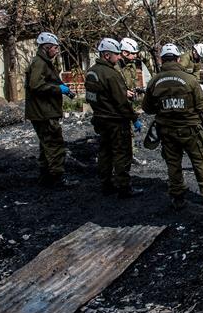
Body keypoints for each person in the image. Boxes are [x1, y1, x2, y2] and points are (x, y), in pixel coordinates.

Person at [142, 43, 203, 210]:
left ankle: (177, 198)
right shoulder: (189, 80)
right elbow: (202, 106)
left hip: (167, 131)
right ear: (178, 59)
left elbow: (147, 108)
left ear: (161, 60)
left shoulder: (154, 81)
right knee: (200, 161)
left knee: (173, 164)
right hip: (191, 130)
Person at [85, 38, 142, 197]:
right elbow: (121, 102)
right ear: (106, 55)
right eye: (116, 54)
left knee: (105, 152)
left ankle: (106, 185)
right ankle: (124, 188)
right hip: (116, 120)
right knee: (121, 154)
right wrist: (134, 118)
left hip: (100, 118)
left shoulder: (91, 72)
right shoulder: (111, 74)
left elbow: (91, 97)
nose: (118, 57)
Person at [25, 32, 76, 188]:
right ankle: (57, 178)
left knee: (46, 145)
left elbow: (48, 81)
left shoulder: (44, 62)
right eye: (55, 48)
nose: (57, 51)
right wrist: (58, 89)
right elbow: (36, 85)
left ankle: (45, 177)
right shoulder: (40, 63)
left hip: (43, 111)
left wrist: (63, 88)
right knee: (55, 145)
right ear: (46, 48)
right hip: (44, 113)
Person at [119, 37, 146, 166]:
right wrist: (123, 92)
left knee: (128, 131)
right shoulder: (115, 66)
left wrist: (136, 90)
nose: (135, 56)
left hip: (128, 103)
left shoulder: (131, 65)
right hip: (117, 104)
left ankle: (129, 156)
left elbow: (132, 81)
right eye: (133, 53)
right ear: (125, 52)